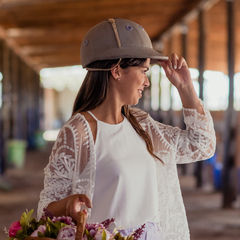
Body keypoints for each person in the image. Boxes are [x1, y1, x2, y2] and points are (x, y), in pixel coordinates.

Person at [38, 18, 216, 240]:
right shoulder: (78, 132)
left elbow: (201, 145)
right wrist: (67, 206)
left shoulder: (142, 125)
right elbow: (45, 210)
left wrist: (186, 88)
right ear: (117, 70)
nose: (146, 82)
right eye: (143, 71)